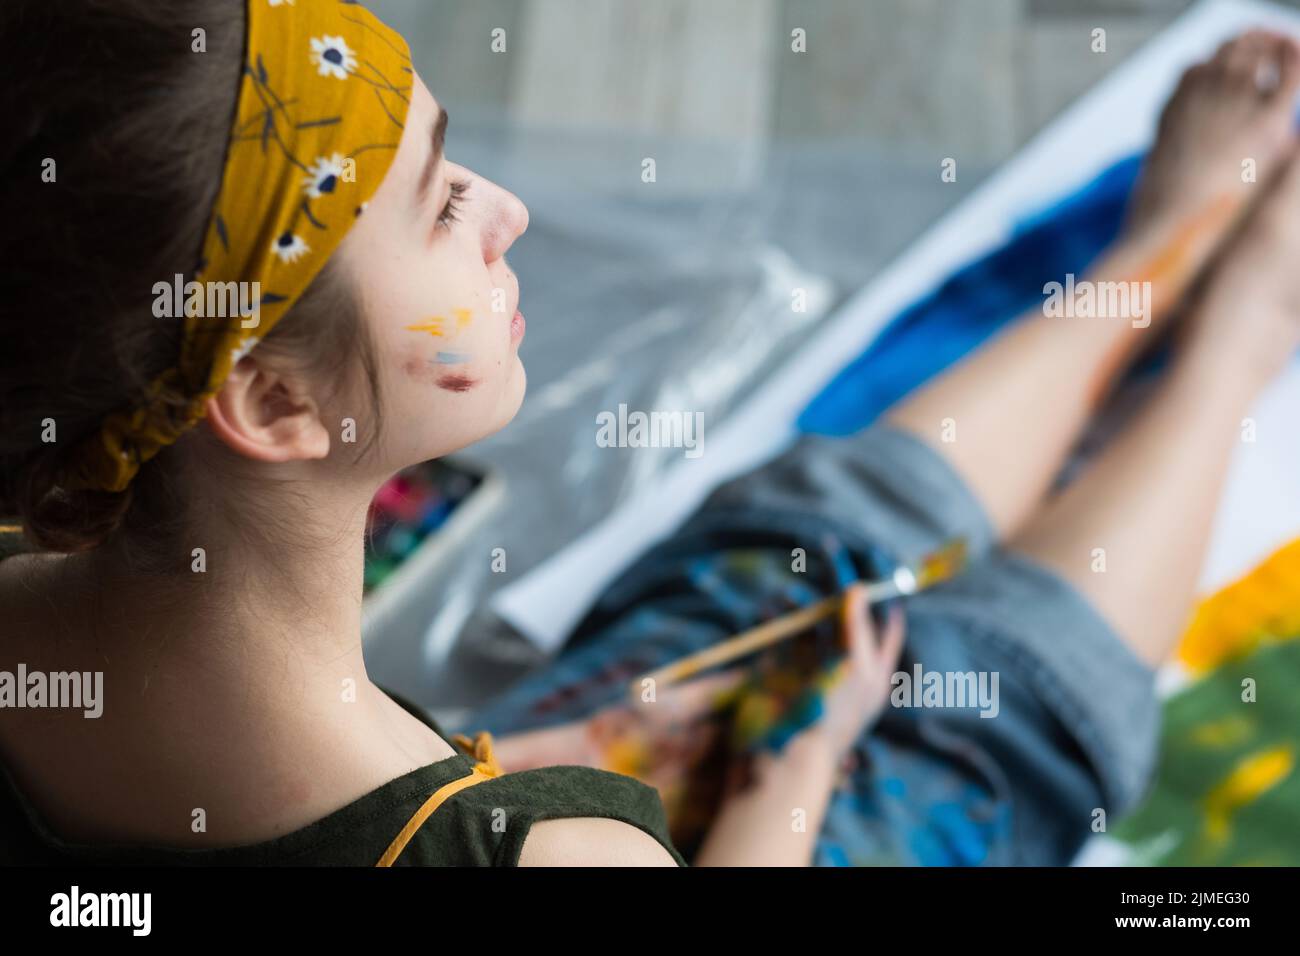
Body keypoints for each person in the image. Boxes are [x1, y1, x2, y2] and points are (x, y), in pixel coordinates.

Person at [1, 0, 1296, 866]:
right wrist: (785, 796)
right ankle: (1241, 325)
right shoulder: (561, 855)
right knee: (982, 714)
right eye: (440, 203)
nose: (506, 210)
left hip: (510, 761)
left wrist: (517, 770)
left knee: (776, 562)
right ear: (276, 405)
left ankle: (1157, 259)